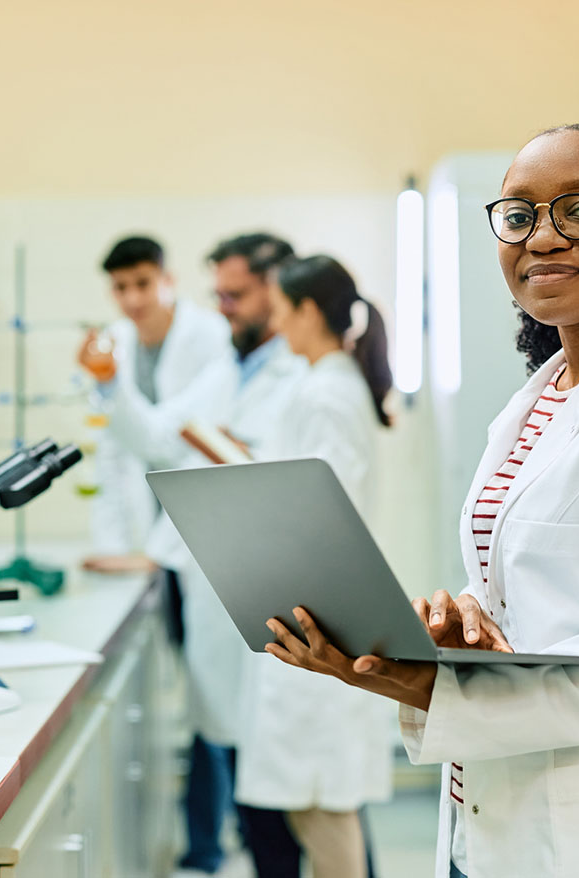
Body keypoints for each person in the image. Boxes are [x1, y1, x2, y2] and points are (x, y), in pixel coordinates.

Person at [261, 123, 579, 878]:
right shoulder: (543, 399)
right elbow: (528, 583)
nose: (545, 237)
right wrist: (462, 624)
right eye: (521, 215)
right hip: (501, 813)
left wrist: (426, 681)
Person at [101, 232, 306, 876]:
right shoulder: (231, 368)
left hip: (272, 593)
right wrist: (111, 385)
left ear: (279, 288)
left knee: (298, 790)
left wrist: (232, 459)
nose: (223, 309)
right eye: (218, 294)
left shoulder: (302, 374)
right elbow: (161, 441)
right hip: (215, 582)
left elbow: (297, 489)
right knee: (246, 765)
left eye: (236, 295)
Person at [233, 256, 395, 878]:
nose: (273, 320)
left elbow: (328, 515)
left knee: (324, 812)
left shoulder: (329, 391)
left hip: (319, 622)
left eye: (279, 307)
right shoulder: (322, 383)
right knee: (311, 810)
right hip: (307, 617)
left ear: (305, 311)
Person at [78, 235, 231, 575]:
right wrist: (111, 546)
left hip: (203, 514)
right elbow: (111, 452)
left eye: (143, 284)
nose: (132, 298)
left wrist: (109, 383)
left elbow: (180, 440)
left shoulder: (212, 336)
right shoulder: (114, 343)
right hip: (145, 518)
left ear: (168, 280)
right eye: (120, 287)